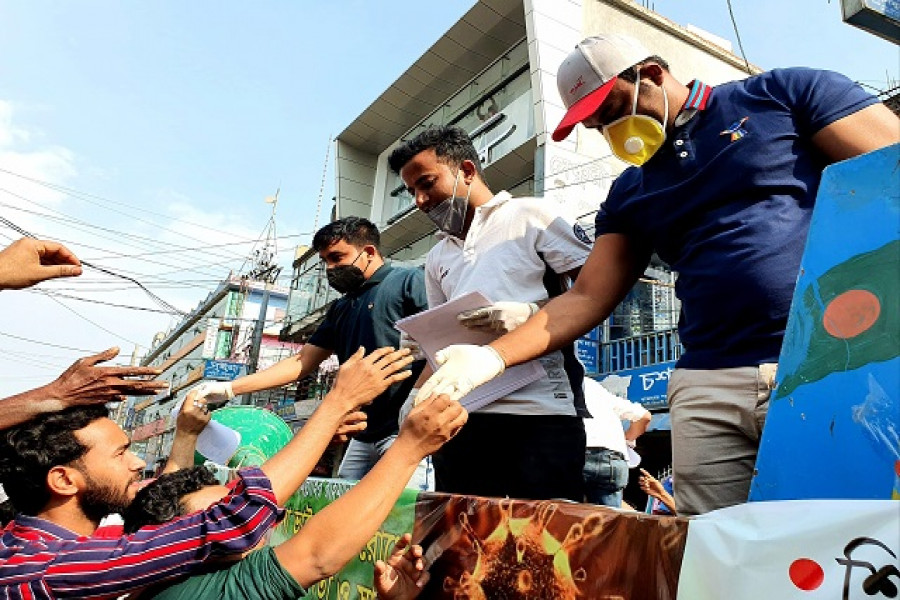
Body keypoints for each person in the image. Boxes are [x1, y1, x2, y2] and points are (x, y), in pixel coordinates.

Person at [413, 34, 900, 515]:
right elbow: (586, 297)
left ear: (649, 72)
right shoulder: (630, 191)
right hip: (707, 380)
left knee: (848, 535)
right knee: (712, 548)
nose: (609, 128)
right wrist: (490, 359)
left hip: (831, 358)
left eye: (613, 108)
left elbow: (890, 172)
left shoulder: (782, 97)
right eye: (597, 124)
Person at [0, 346, 411, 597]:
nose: (139, 462)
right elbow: (233, 521)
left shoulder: (69, 540)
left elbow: (161, 511)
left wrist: (185, 435)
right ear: (64, 479)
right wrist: (336, 402)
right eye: (120, 453)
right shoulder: (48, 567)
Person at [388, 125, 593, 502]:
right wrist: (414, 399)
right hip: (461, 420)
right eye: (411, 191)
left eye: (427, 183)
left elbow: (597, 293)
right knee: (463, 543)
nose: (419, 200)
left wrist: (532, 312)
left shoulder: (532, 215)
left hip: (539, 413)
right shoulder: (437, 257)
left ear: (466, 171)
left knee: (542, 544)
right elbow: (444, 346)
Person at [122, 391, 465, 600]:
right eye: (225, 509)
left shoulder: (156, 569)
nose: (244, 511)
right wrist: (409, 448)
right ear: (173, 531)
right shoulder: (198, 591)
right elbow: (318, 555)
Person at [195, 217, 432, 489]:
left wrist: (416, 399)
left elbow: (442, 342)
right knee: (344, 511)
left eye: (337, 257)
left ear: (368, 252)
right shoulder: (341, 308)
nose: (331, 268)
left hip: (403, 431)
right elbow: (301, 361)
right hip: (361, 433)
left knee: (404, 515)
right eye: (325, 261)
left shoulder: (408, 281)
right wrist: (230, 388)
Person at [582, 377, 650, 508]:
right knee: (610, 521)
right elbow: (644, 416)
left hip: (574, 452)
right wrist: (627, 438)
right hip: (612, 458)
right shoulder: (600, 392)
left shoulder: (549, 384)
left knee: (565, 518)